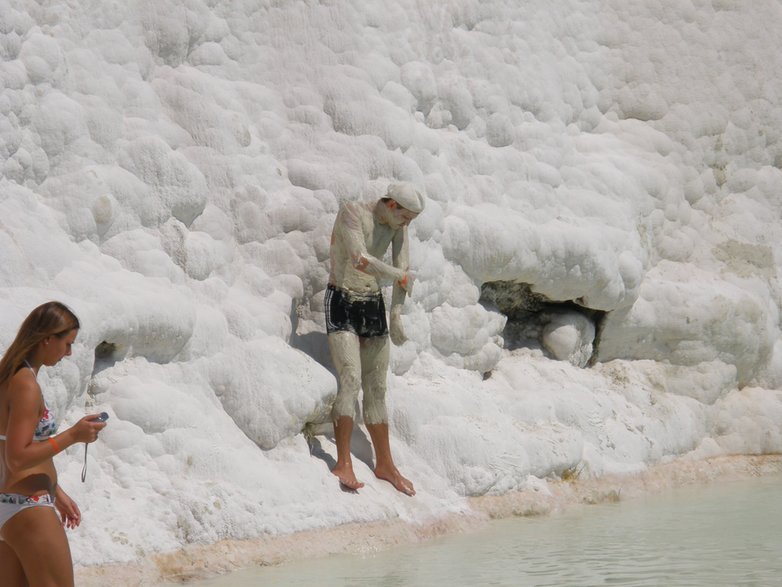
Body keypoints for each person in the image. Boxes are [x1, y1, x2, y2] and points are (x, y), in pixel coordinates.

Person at [325, 182, 424, 496]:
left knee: (378, 387)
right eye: (405, 217)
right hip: (342, 300)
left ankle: (385, 464)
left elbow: (403, 267)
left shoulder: (397, 227)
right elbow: (359, 259)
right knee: (352, 378)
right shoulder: (352, 212)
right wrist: (398, 277)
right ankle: (343, 461)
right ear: (391, 205)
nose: (406, 225)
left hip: (372, 304)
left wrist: (395, 314)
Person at [0, 301, 107, 587]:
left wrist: (56, 491)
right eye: (67, 344)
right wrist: (73, 435)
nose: (69, 353)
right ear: (48, 339)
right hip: (27, 508)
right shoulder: (25, 385)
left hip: (10, 507)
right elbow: (18, 457)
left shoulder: (8, 377)